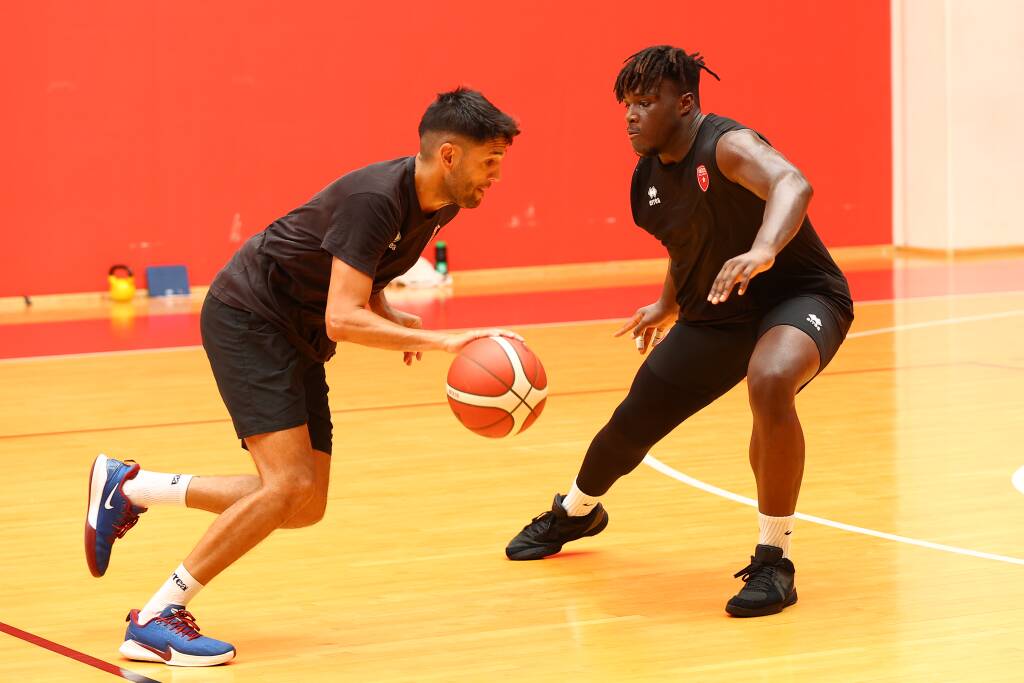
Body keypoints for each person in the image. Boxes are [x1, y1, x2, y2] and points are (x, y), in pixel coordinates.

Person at [84, 87, 522, 666]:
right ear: (448, 155)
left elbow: (357, 273)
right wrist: (437, 339)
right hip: (251, 316)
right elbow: (343, 317)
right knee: (286, 485)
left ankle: (132, 488)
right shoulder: (377, 198)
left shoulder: (441, 204)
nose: (495, 176)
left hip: (298, 331)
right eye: (489, 162)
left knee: (304, 501)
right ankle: (155, 617)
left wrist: (389, 313)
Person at [505, 45, 854, 618]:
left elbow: (793, 183)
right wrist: (667, 303)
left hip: (798, 297)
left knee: (769, 382)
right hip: (715, 312)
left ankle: (774, 559)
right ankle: (577, 509)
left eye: (646, 101)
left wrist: (765, 249)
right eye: (627, 103)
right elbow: (685, 242)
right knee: (631, 422)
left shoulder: (727, 146)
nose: (631, 115)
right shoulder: (648, 178)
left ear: (685, 102)